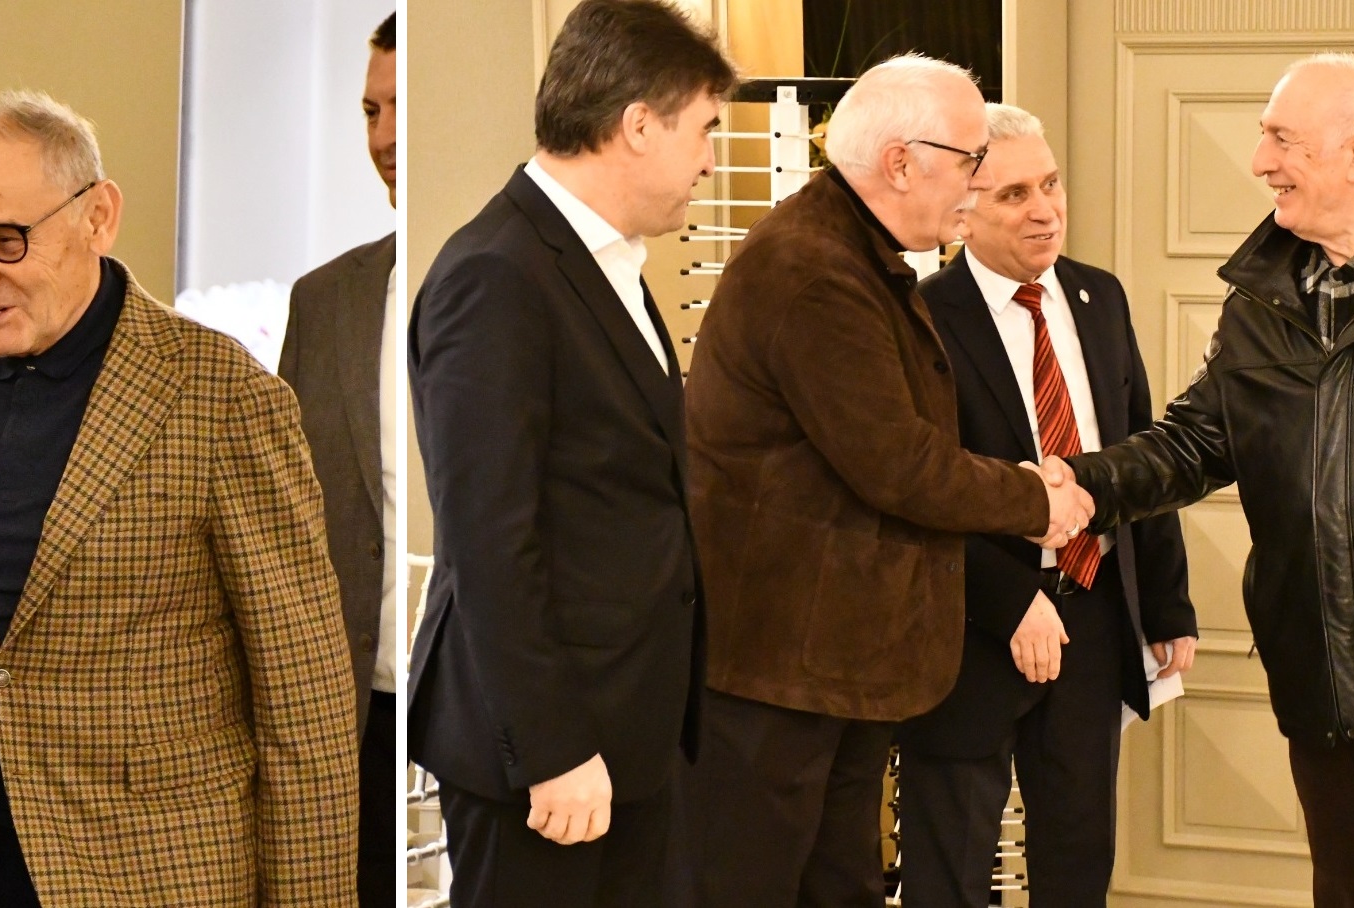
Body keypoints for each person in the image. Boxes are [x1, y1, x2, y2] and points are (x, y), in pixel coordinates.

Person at [0, 90, 357, 906]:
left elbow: (302, 692)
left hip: (161, 876)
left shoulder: (223, 394)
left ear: (98, 218)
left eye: (6, 240)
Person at [1063, 54, 1354, 908]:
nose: (1259, 162)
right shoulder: (1260, 296)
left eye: (1282, 140)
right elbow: (1195, 441)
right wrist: (1079, 488)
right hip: (1315, 673)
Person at [681, 56, 1093, 908]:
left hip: (831, 662)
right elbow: (898, 462)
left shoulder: (854, 255)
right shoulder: (813, 269)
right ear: (902, 163)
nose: (975, 186)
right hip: (779, 671)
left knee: (840, 886)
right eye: (971, 162)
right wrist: (1036, 500)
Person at [404, 1, 731, 904]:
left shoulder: (609, 263)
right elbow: (488, 541)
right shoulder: (495, 273)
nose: (711, 160)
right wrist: (552, 750)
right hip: (549, 761)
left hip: (629, 736)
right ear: (638, 125)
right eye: (705, 129)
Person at [893, 103, 1195, 908]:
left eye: (1051, 185)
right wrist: (1010, 601)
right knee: (949, 872)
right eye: (1014, 194)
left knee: (1077, 861)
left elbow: (1143, 454)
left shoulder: (1100, 296)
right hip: (969, 630)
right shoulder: (920, 317)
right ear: (962, 213)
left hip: (1093, 616)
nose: (1045, 211)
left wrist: (1167, 603)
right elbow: (916, 490)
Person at [278, 12, 399, 906]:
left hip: (502, 721)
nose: (383, 138)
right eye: (368, 111)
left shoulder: (525, 284)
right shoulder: (323, 303)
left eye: (401, 108)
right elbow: (287, 530)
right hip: (354, 727)